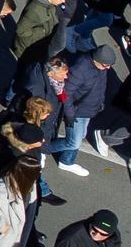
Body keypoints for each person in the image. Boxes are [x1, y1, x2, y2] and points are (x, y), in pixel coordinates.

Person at [44, 45, 117, 177]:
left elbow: (101, 86)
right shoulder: (80, 69)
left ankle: (66, 161)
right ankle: (42, 149)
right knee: (73, 142)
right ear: (97, 60)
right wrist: (70, 115)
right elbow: (66, 94)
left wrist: (100, 102)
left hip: (89, 109)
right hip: (77, 111)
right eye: (106, 65)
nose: (108, 68)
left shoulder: (101, 67)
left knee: (80, 136)